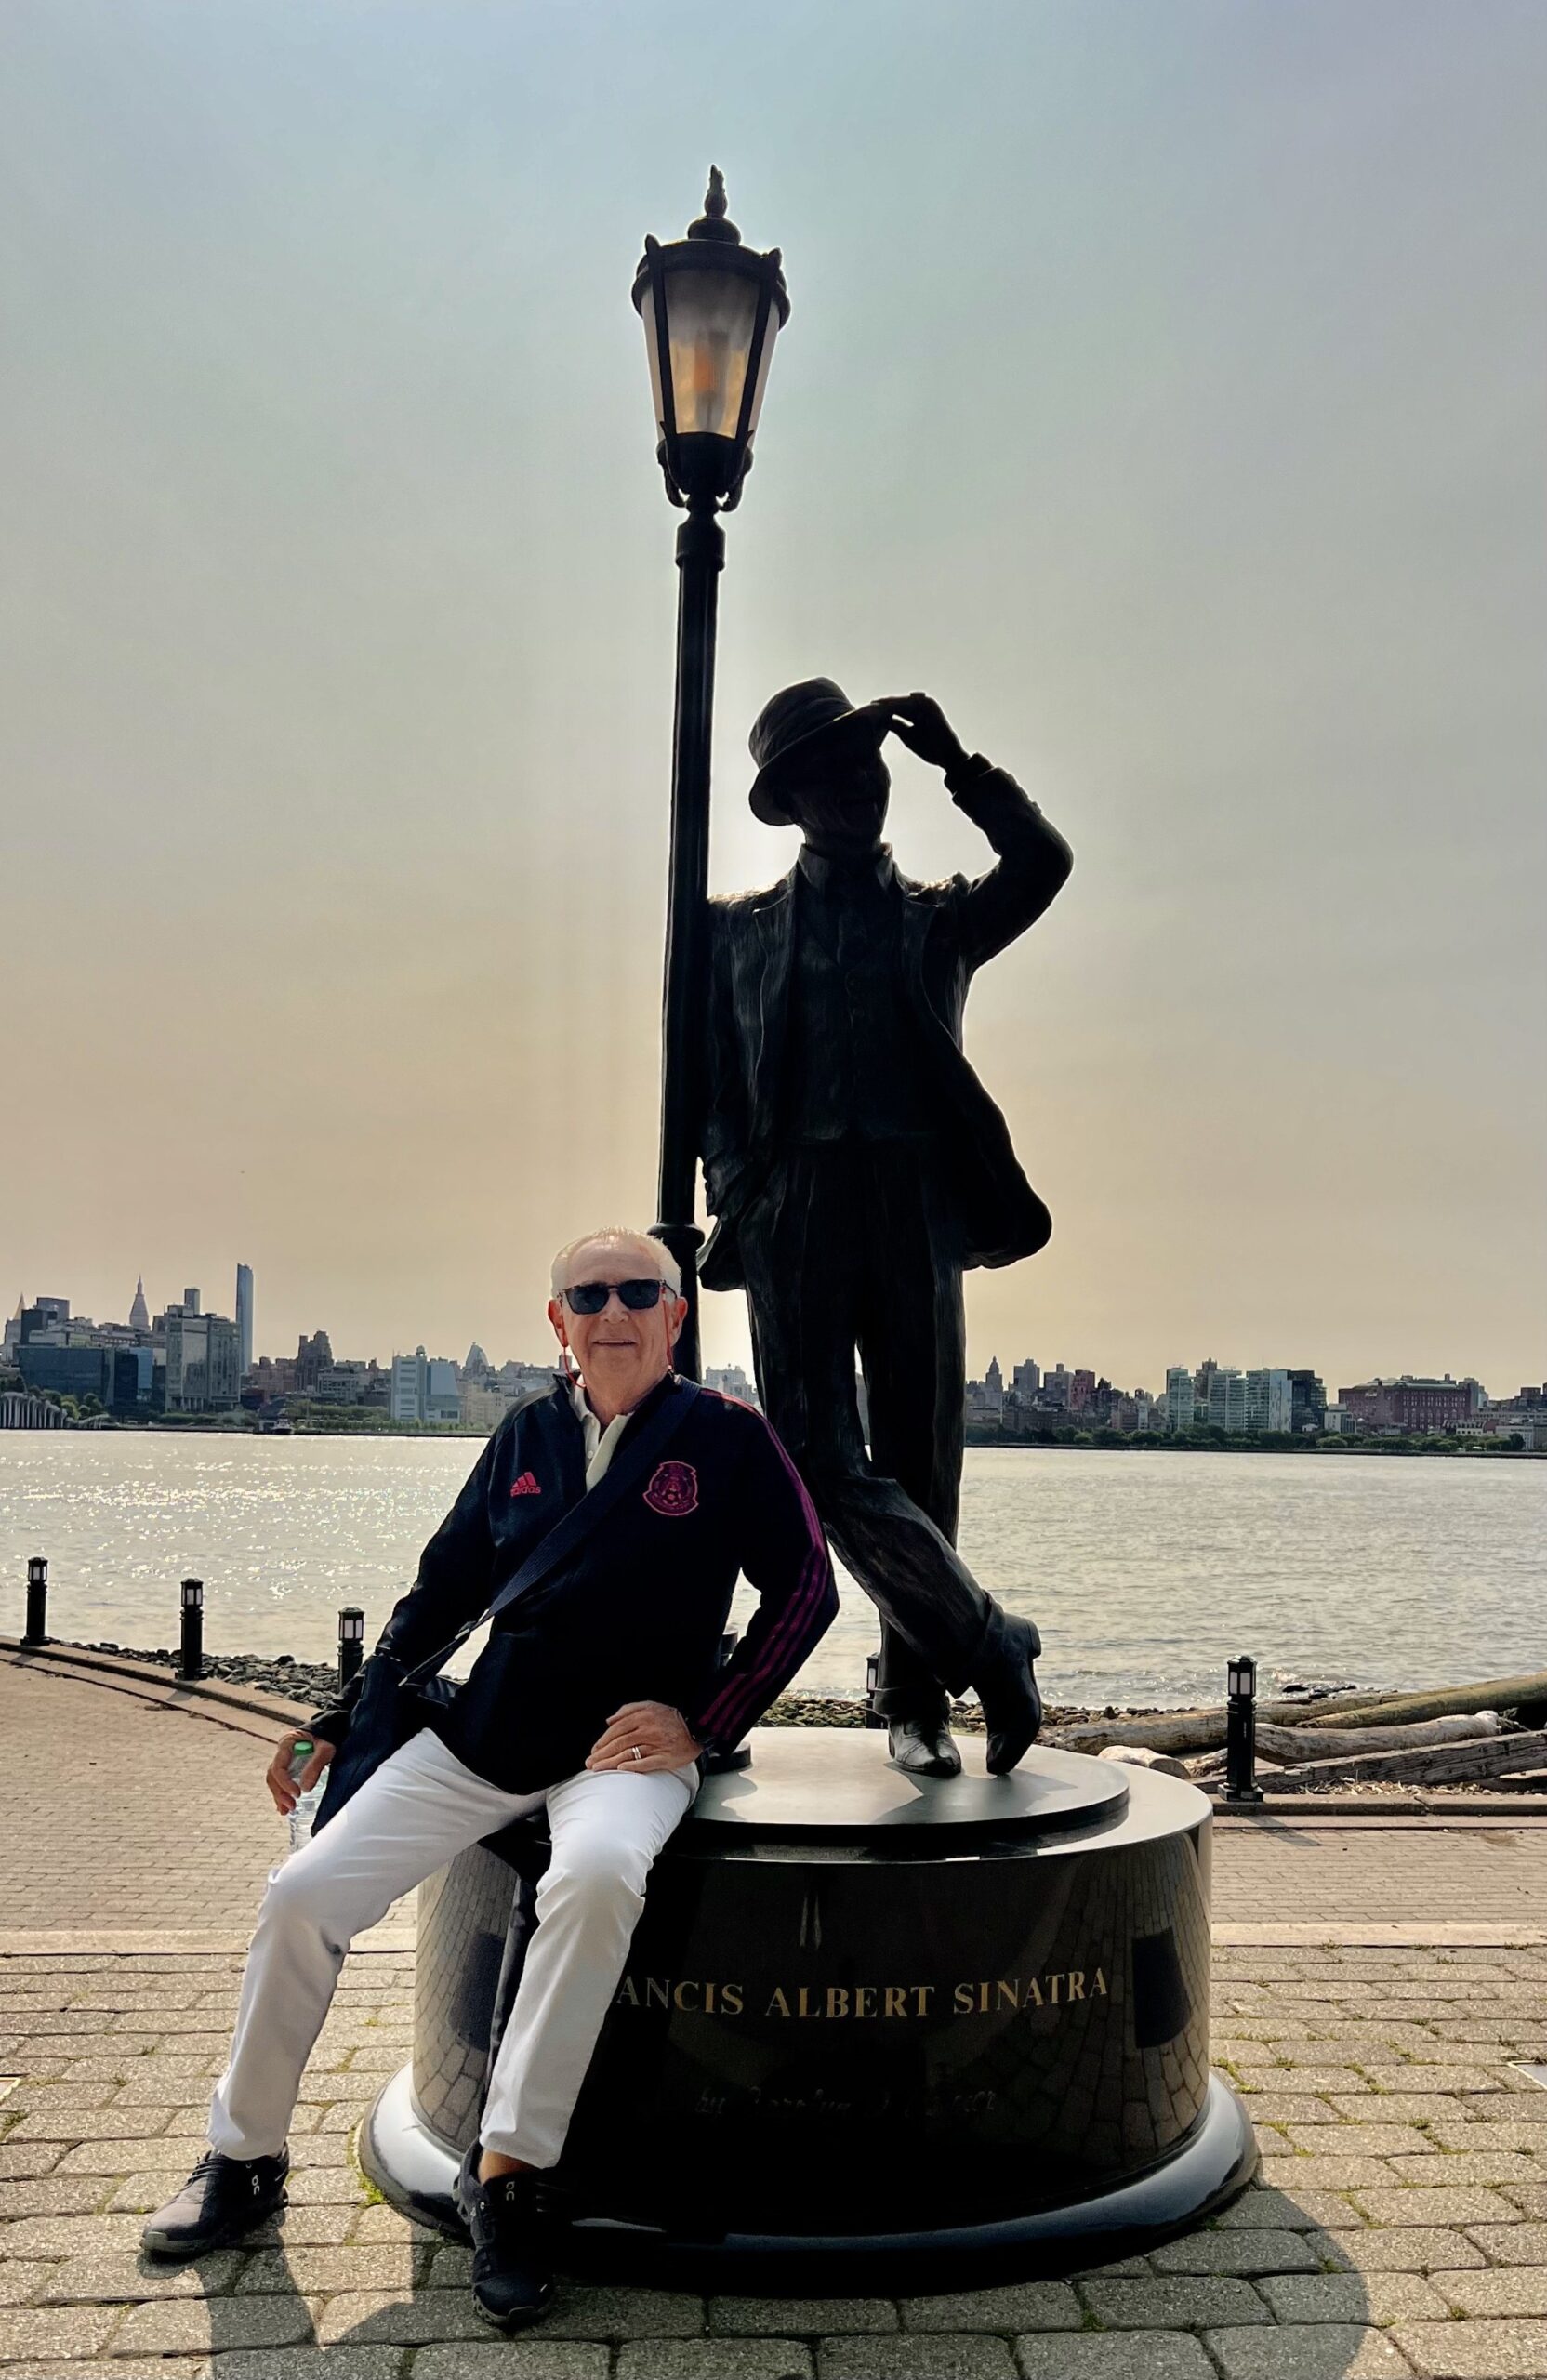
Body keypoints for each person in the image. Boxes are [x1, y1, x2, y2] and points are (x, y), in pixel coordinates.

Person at [139, 1228, 838, 2330]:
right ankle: (245, 2153)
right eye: (587, 1294)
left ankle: (506, 2177)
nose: (613, 1310)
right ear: (556, 1322)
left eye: (637, 1292)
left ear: (675, 1315)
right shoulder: (521, 1433)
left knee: (600, 1876)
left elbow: (805, 1589)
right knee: (302, 1897)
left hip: (624, 1750)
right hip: (485, 1737)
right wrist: (334, 1718)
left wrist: (702, 1719)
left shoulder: (725, 1438)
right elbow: (437, 1594)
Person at [700, 681, 1072, 1781]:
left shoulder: (937, 918)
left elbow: (1042, 866)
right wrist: (737, 1188)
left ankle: (913, 1699)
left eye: (869, 768)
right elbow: (712, 1086)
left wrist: (963, 763)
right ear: (793, 799)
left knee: (919, 1455)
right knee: (812, 1454)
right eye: (831, 775)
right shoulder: (733, 934)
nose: (858, 789)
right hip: (793, 1204)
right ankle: (985, 1639)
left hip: (912, 1199)